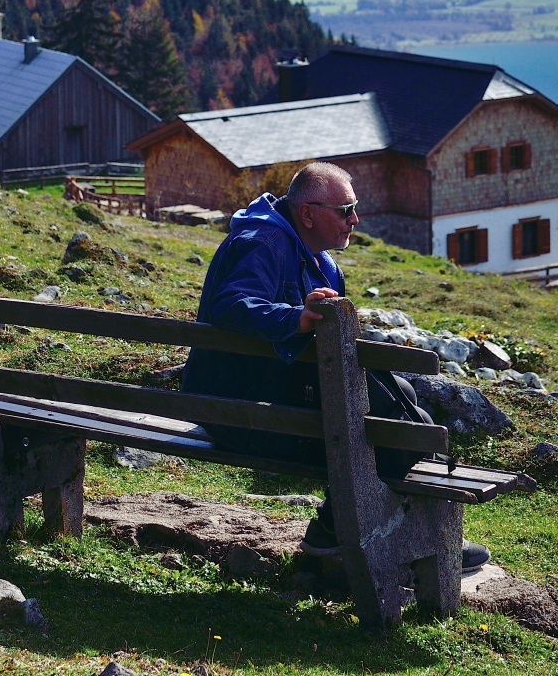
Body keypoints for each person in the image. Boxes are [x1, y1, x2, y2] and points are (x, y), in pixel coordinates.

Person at [183, 162, 487, 567]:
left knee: (399, 398)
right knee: (384, 425)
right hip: (239, 411)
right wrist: (294, 317)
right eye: (345, 210)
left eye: (354, 208)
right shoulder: (264, 242)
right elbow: (230, 304)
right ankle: (409, 541)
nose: (355, 219)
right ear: (307, 213)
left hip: (268, 396)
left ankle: (334, 530)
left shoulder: (321, 261)